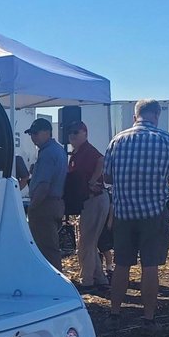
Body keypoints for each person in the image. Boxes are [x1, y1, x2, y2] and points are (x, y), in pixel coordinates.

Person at [103, 100, 169, 328]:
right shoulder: (166, 139)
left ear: (135, 116)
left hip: (123, 213)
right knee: (150, 266)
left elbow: (107, 177)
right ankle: (148, 316)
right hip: (153, 213)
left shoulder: (117, 140)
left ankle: (115, 312)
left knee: (121, 265)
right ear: (157, 115)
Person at [65, 121, 110, 292]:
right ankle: (100, 278)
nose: (72, 136)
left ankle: (87, 280)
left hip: (95, 198)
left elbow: (101, 160)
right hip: (89, 200)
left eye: (76, 132)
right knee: (88, 240)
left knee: (86, 242)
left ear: (85, 133)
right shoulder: (77, 153)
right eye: (70, 132)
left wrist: (93, 180)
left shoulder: (87, 150)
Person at [25, 118, 67, 270]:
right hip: (55, 203)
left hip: (45, 205)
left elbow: (43, 185)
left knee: (46, 249)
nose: (33, 137)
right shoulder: (57, 149)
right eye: (31, 134)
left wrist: (33, 207)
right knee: (49, 246)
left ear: (47, 132)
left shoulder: (48, 153)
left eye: (35, 133)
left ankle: (54, 284)